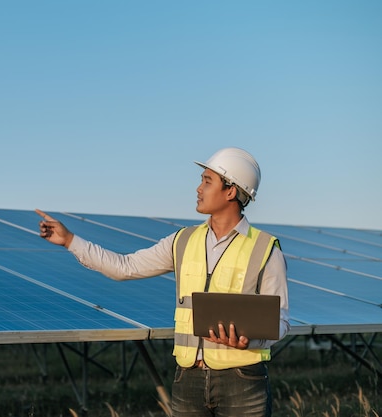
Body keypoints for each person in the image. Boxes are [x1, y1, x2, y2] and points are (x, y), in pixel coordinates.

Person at [36, 147, 289, 417]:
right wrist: (70, 240)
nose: (198, 188)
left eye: (207, 181)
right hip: (187, 380)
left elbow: (281, 322)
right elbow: (125, 266)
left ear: (230, 191)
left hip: (243, 382)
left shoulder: (265, 249)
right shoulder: (182, 240)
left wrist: (249, 342)